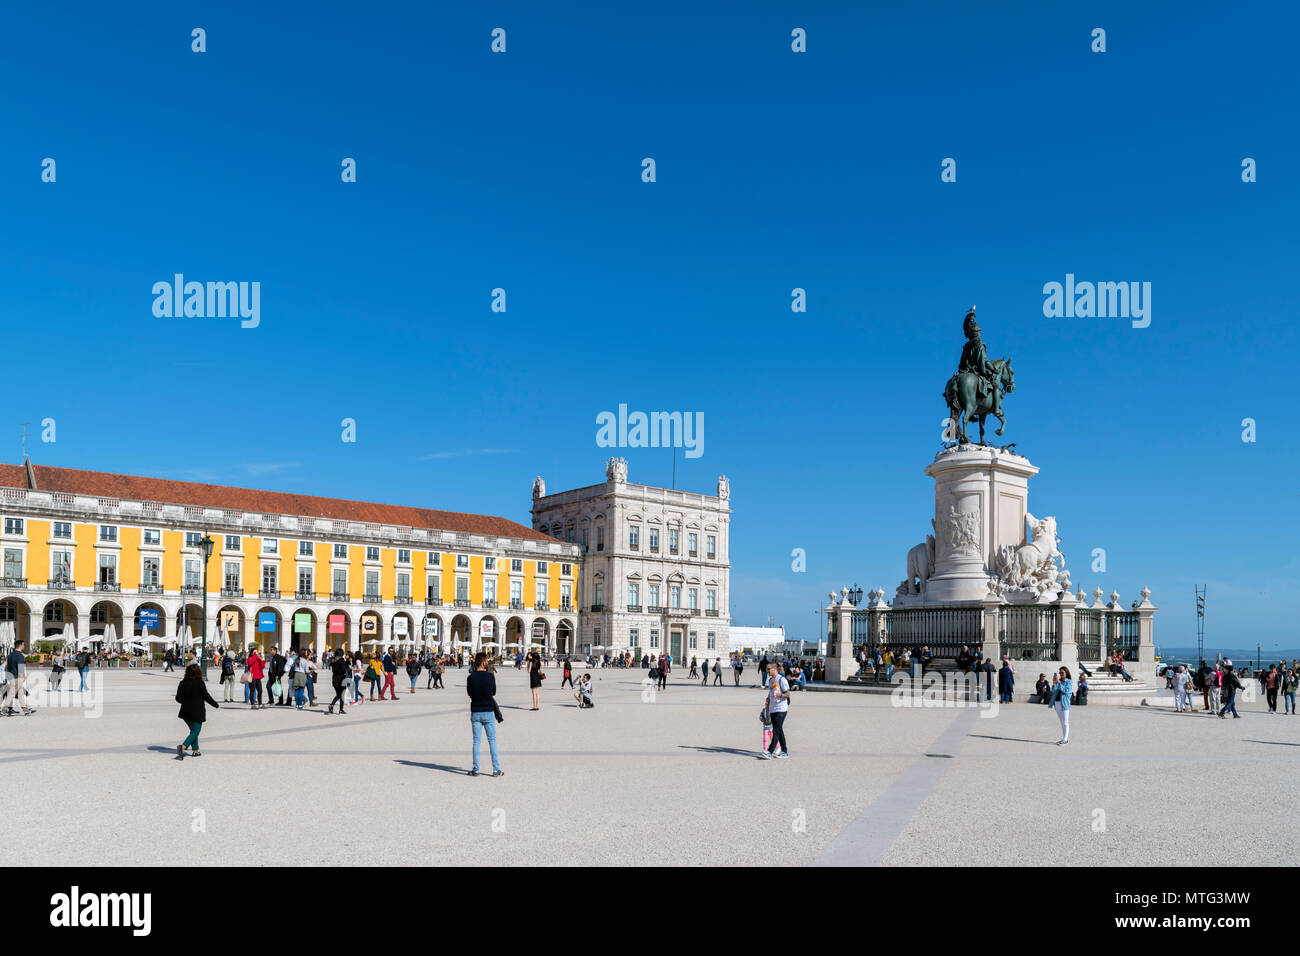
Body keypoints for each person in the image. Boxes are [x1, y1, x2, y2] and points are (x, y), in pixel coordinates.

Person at [466, 652, 504, 777]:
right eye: (486, 660)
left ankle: (476, 769)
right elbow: (493, 692)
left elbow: (470, 694)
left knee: (476, 741)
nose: (488, 662)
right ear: (483, 662)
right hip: (488, 711)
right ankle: (496, 769)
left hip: (476, 711)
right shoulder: (490, 676)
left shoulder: (470, 678)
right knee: (492, 741)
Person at [174, 663, 219, 758]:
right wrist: (215, 704)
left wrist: (186, 701)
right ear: (198, 672)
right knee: (196, 731)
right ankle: (183, 747)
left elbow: (178, 698)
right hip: (196, 711)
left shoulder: (182, 683)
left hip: (185, 711)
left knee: (193, 731)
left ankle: (195, 750)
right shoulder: (199, 682)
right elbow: (206, 696)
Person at [760, 663, 790, 759]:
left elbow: (788, 693)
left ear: (774, 669)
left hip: (781, 708)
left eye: (768, 669)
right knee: (779, 730)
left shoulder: (782, 679)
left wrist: (780, 695)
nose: (767, 671)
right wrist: (768, 706)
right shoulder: (771, 680)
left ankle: (769, 751)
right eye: (766, 669)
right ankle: (784, 751)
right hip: (773, 709)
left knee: (776, 730)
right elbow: (770, 693)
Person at [1, 640, 34, 716]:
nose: (24, 646)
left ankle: (25, 708)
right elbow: (21, 668)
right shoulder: (20, 656)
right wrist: (22, 678)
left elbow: (7, 666)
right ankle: (3, 709)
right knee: (11, 693)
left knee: (20, 693)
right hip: (17, 677)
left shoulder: (10, 655)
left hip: (10, 676)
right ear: (21, 645)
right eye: (24, 645)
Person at [1049, 666, 1073, 745]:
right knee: (1062, 722)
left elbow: (1067, 691)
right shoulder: (1059, 681)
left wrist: (1059, 683)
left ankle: (1065, 739)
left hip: (1064, 704)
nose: (1060, 674)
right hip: (1057, 703)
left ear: (1066, 673)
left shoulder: (1069, 681)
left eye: (1062, 672)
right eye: (1060, 673)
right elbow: (1054, 691)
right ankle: (1063, 738)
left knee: (1065, 722)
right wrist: (1054, 683)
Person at [327, 651, 351, 715]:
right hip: (341, 679)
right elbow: (344, 670)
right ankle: (340, 709)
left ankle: (332, 706)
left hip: (334, 679)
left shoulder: (333, 661)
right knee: (341, 695)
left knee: (338, 694)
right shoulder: (341, 661)